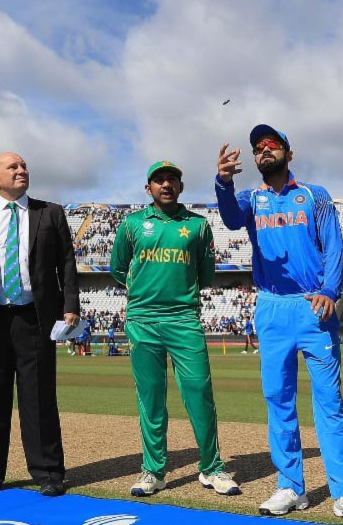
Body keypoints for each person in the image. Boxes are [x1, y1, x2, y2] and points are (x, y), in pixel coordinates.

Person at [215, 125, 343, 523]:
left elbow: (334, 245)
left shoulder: (313, 195)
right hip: (271, 307)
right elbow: (233, 220)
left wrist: (329, 290)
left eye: (272, 145)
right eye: (258, 148)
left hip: (312, 306)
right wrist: (221, 181)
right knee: (278, 399)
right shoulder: (252, 199)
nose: (264, 150)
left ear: (289, 152)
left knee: (329, 402)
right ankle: (291, 486)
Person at [110, 160, 240, 498]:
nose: (165, 185)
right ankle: (153, 471)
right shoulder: (132, 224)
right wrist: (144, 295)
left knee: (199, 393)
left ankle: (211, 468)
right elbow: (117, 268)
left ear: (180, 187)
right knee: (151, 398)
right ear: (148, 188)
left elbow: (206, 274)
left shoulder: (197, 226)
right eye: (158, 180)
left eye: (172, 180)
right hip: (142, 320)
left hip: (184, 319)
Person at [0, 152, 80, 498]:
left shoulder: (49, 212)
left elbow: (67, 262)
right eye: (13, 166)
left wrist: (71, 305)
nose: (22, 170)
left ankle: (48, 472)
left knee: (38, 399)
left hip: (35, 318)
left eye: (24, 165)